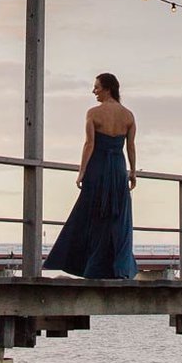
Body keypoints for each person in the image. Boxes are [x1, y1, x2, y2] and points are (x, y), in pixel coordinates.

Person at [43, 73, 138, 279]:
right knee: (118, 216)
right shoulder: (128, 115)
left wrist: (82, 171)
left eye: (96, 87)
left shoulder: (94, 113)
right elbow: (130, 146)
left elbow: (89, 144)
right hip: (118, 168)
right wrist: (132, 171)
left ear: (108, 88)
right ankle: (119, 268)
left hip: (98, 167)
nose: (93, 91)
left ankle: (91, 266)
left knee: (92, 214)